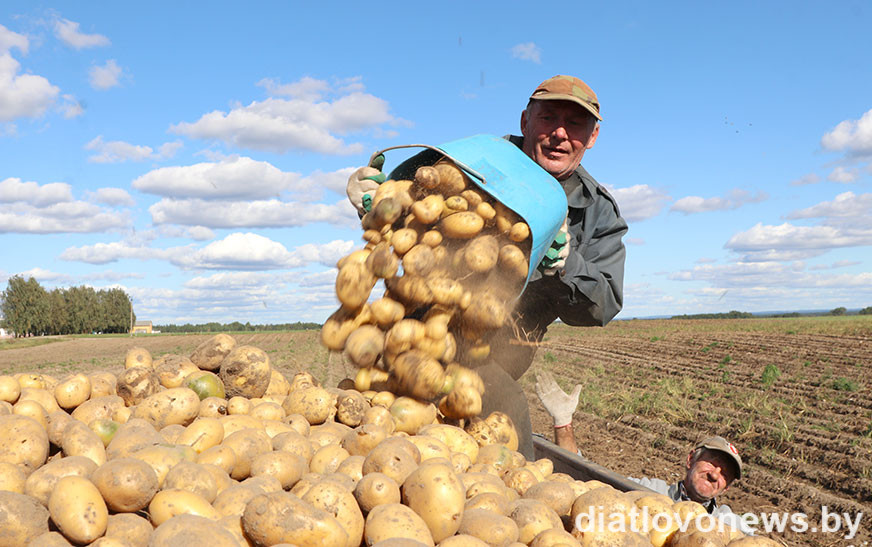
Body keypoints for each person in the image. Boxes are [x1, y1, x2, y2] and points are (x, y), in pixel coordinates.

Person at [347, 75, 628, 460]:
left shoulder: (596, 211)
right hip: (410, 333)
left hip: (493, 356)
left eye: (576, 124)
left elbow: (603, 304)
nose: (561, 133)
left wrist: (566, 266)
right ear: (526, 122)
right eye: (548, 118)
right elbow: (409, 224)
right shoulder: (476, 162)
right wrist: (378, 199)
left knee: (503, 418)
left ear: (592, 136)